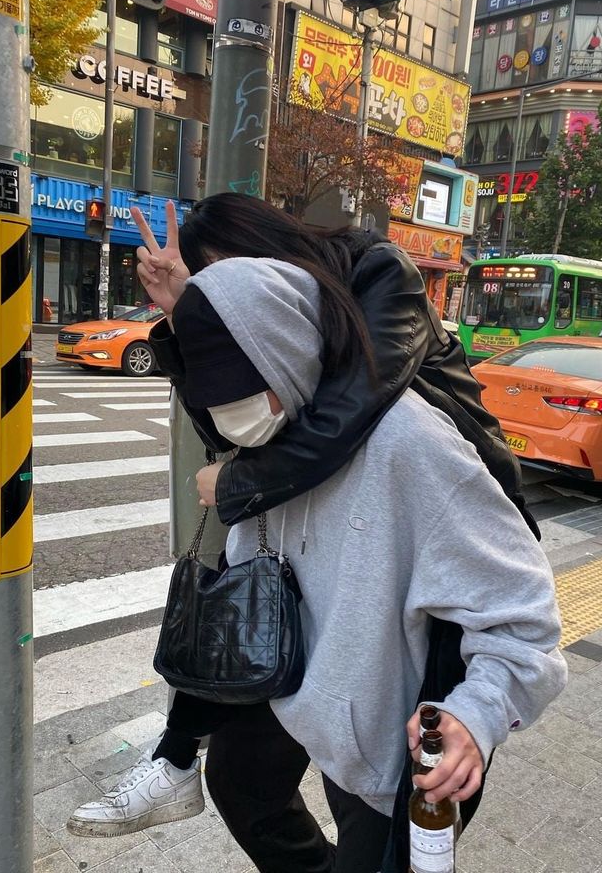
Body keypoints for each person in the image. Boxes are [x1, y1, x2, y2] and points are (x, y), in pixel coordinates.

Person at [68, 195, 552, 871]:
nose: (239, 296)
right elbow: (241, 416)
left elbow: (522, 618)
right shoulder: (277, 399)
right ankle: (177, 759)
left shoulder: (383, 316)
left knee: (387, 844)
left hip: (409, 678)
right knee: (241, 782)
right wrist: (189, 311)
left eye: (234, 281)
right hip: (307, 662)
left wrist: (477, 711)